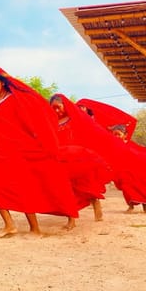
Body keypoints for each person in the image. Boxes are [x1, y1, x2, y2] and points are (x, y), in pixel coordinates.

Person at [0, 67, 78, 238]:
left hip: (19, 149)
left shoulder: (16, 99)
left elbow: (34, 118)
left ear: (3, 82)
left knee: (24, 187)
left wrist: (40, 140)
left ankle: (35, 229)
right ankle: (9, 225)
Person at [49, 94, 111, 229]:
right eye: (53, 109)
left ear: (65, 105)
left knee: (87, 187)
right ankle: (71, 219)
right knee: (66, 190)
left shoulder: (76, 118)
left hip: (79, 159)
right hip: (62, 160)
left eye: (58, 108)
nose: (57, 111)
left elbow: (91, 134)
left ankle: (96, 204)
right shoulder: (51, 122)